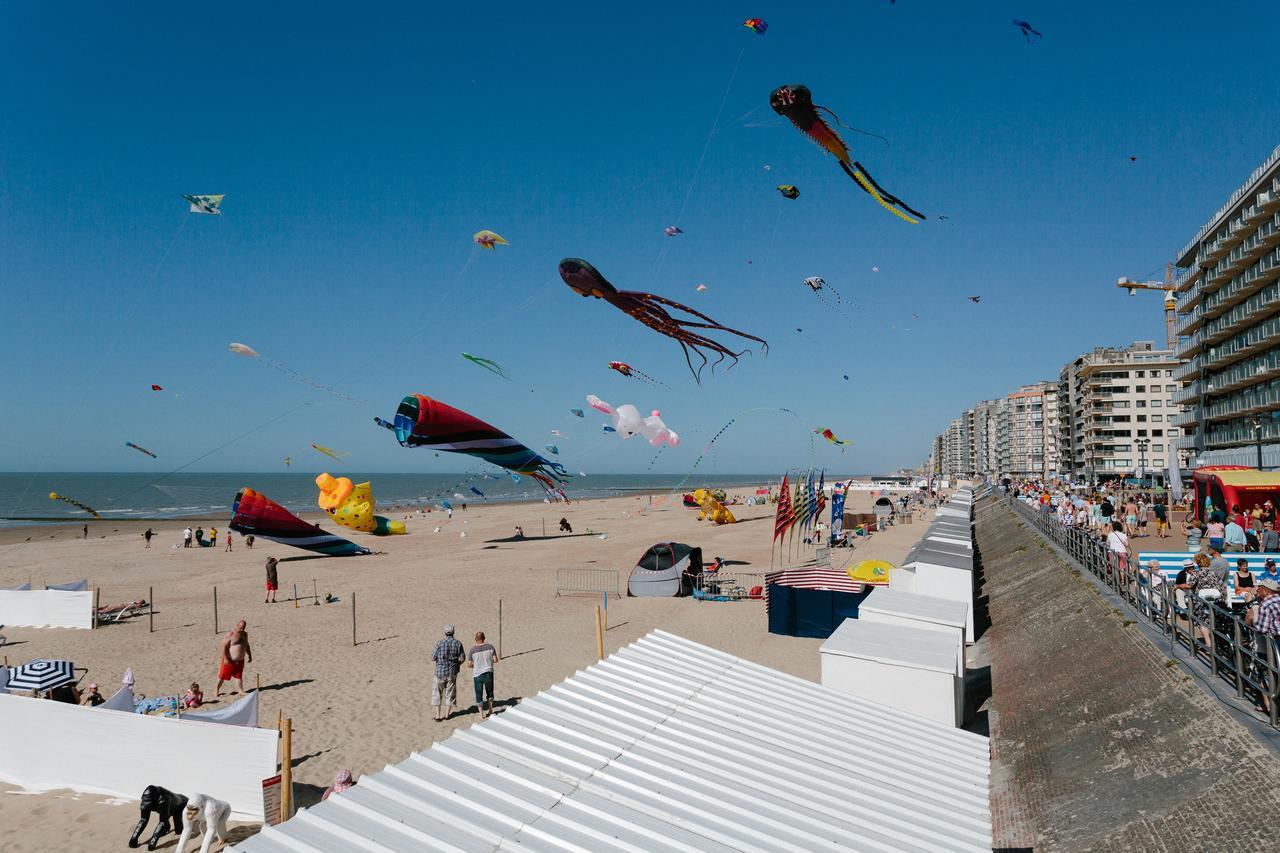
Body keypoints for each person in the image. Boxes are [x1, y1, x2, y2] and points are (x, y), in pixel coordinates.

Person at [1250, 579, 1280, 713]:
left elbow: (1262, 629)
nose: (1257, 591)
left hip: (1273, 644)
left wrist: (1251, 621)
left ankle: (1269, 707)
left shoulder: (1266, 604)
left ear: (1265, 590)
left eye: (1259, 588)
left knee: (1262, 671)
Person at [431, 625, 465, 722]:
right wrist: (457, 664)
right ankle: (447, 715)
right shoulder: (458, 643)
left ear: (445, 632)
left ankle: (437, 716)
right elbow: (462, 658)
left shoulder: (440, 643)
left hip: (440, 671)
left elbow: (433, 657)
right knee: (450, 693)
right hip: (452, 672)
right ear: (453, 632)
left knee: (437, 693)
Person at [467, 631, 499, 719]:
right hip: (488, 671)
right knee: (490, 692)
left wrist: (476, 664)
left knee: (478, 693)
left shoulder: (472, 650)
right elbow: (495, 660)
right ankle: (491, 710)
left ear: (475, 639)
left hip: (477, 673)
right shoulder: (490, 647)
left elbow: (469, 664)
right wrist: (488, 661)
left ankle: (481, 714)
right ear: (484, 638)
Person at [216, 620, 252, 696]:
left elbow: (247, 645)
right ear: (237, 625)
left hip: (240, 660)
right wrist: (225, 658)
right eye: (241, 627)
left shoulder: (245, 634)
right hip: (229, 660)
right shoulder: (231, 634)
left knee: (239, 675)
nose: (242, 629)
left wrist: (249, 654)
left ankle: (240, 690)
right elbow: (223, 647)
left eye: (244, 628)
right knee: (222, 676)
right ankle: (216, 689)